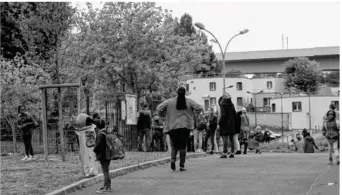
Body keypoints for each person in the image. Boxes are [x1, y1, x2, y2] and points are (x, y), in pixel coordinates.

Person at [157, 87, 203, 171]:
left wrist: (163, 116)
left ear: (177, 93)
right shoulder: (189, 101)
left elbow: (159, 108)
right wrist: (194, 115)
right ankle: (182, 165)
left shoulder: (169, 101)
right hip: (185, 126)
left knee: (174, 144)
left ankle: (173, 159)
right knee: (183, 146)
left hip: (172, 126)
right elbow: (199, 107)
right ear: (184, 93)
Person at [93, 119, 112, 193]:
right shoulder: (106, 132)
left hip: (103, 155)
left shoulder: (101, 135)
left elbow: (99, 146)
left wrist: (94, 150)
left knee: (105, 171)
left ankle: (106, 188)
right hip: (108, 154)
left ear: (97, 126)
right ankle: (108, 186)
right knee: (106, 170)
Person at [218, 93, 237, 158]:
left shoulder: (223, 105)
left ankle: (225, 152)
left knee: (225, 138)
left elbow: (223, 115)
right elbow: (235, 114)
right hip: (231, 124)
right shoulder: (232, 105)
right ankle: (232, 152)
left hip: (225, 124)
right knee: (231, 138)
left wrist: (219, 123)